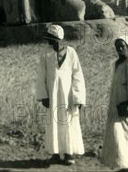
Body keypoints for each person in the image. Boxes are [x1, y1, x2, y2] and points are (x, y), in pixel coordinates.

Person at [36, 24, 86, 166]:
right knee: (54, 123)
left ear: (59, 39)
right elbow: (41, 76)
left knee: (69, 122)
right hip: (53, 96)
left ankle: (69, 154)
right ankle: (56, 154)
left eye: (51, 39)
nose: (48, 42)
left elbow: (78, 75)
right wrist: (44, 96)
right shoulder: (45, 54)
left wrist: (79, 97)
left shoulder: (71, 53)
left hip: (68, 96)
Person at [101, 35, 128, 172]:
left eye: (122, 45)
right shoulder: (116, 64)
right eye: (117, 46)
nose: (119, 48)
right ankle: (122, 164)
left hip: (127, 108)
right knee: (117, 136)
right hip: (116, 106)